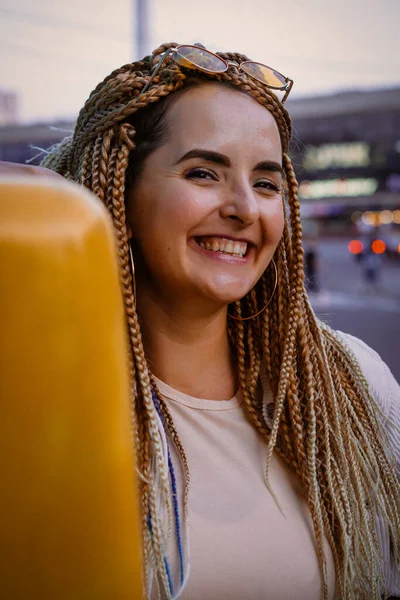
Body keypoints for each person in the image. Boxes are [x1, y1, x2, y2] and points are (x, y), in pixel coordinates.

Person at [2, 42, 400, 600]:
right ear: (119, 195)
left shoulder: (354, 384)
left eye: (266, 183)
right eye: (203, 173)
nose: (244, 207)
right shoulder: (37, 407)